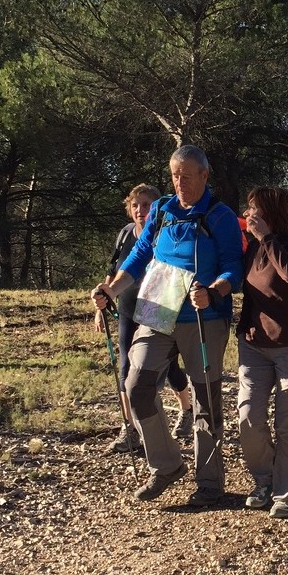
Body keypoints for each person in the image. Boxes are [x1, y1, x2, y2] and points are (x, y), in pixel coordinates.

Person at [91, 145, 244, 505]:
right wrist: (111, 289)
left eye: (187, 176)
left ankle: (209, 483)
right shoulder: (161, 211)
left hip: (203, 318)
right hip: (158, 310)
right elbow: (140, 254)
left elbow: (233, 268)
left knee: (205, 401)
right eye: (175, 175)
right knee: (137, 383)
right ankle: (166, 465)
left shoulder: (219, 216)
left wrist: (214, 290)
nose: (180, 182)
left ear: (205, 176)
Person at [235, 186, 288, 520]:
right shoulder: (251, 249)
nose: (250, 213)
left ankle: (286, 492)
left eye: (255, 208)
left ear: (271, 213)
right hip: (254, 345)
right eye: (249, 207)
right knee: (248, 417)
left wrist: (267, 239)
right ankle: (265, 480)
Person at [99, 184, 195, 453]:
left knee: (167, 366)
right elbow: (113, 269)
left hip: (158, 305)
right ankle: (129, 429)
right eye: (135, 205)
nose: (141, 210)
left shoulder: (165, 233)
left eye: (147, 205)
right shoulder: (125, 234)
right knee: (126, 366)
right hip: (126, 307)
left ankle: (186, 409)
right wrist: (102, 303)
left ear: (158, 208)